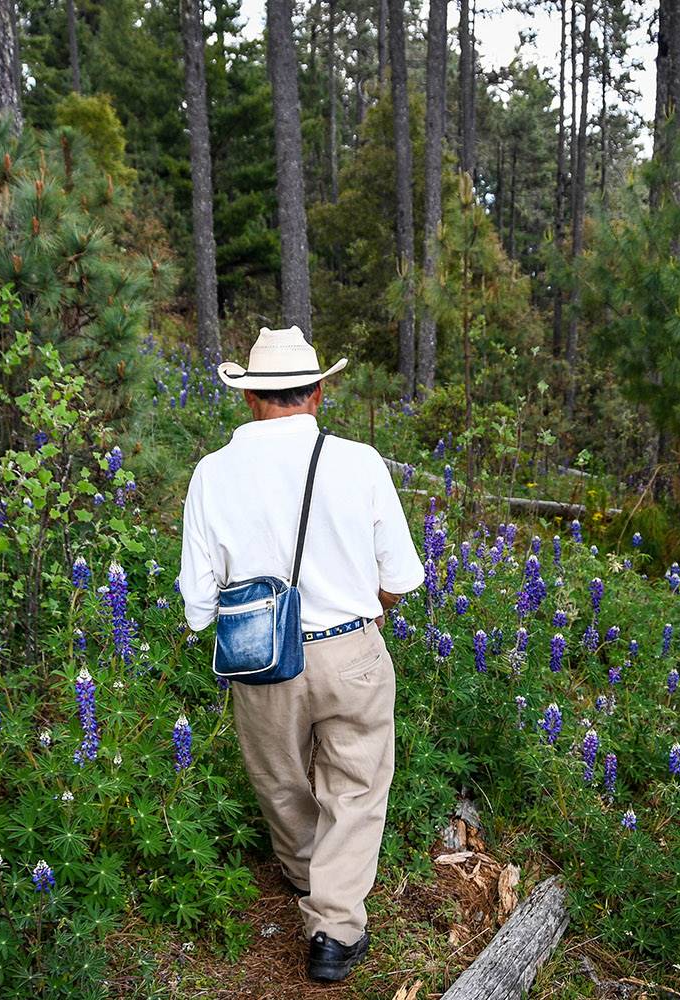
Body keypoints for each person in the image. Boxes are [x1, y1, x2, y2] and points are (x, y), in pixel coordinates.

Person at [177, 325, 424, 983]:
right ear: (317, 393)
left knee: (280, 777)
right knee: (358, 784)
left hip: (261, 659)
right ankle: (335, 929)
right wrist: (367, 609)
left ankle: (302, 872)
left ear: (250, 398)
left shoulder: (211, 474)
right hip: (351, 650)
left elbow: (198, 609)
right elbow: (399, 580)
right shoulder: (361, 462)